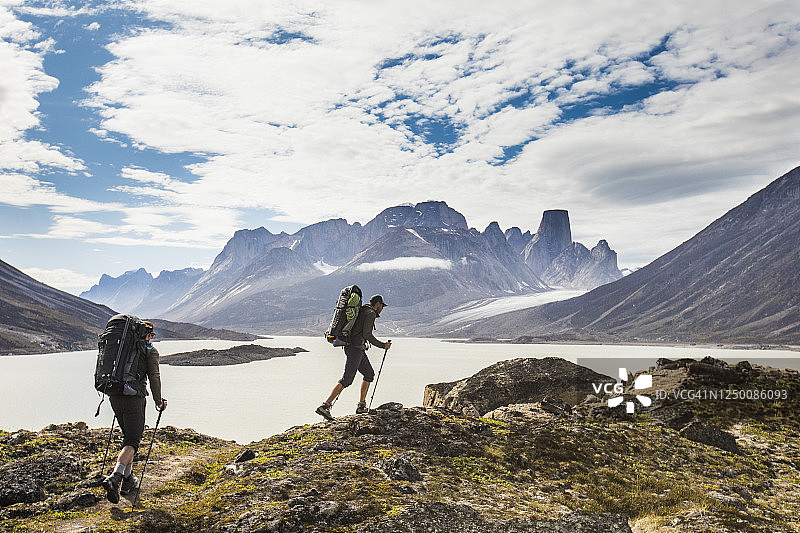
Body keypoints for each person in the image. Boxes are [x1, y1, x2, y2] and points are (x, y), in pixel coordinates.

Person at [102, 320, 167, 504]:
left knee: (128, 438)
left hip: (115, 396)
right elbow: (154, 377)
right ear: (147, 334)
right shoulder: (149, 351)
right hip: (134, 399)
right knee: (132, 442)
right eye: (151, 336)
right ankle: (116, 477)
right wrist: (158, 402)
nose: (151, 339)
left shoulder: (123, 348)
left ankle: (128, 480)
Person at [316, 294, 392, 420]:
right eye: (382, 306)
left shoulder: (362, 309)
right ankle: (325, 405)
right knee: (347, 379)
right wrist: (382, 345)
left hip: (356, 348)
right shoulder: (370, 313)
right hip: (355, 349)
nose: (382, 309)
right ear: (378, 304)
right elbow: (367, 334)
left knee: (369, 374)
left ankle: (361, 406)